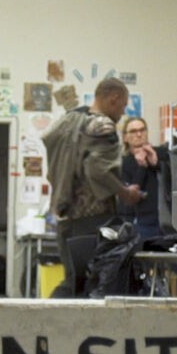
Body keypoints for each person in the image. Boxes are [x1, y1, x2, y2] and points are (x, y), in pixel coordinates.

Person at [43, 77, 142, 297]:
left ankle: (52, 324)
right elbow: (97, 170)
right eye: (124, 105)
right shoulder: (103, 125)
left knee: (73, 280)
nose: (123, 112)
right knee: (89, 285)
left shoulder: (68, 121)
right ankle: (45, 318)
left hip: (65, 214)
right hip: (92, 218)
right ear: (114, 99)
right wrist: (126, 193)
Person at [118, 116, 170, 241]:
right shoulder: (123, 163)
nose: (139, 134)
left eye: (142, 130)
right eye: (134, 131)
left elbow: (174, 180)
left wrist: (156, 164)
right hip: (140, 222)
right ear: (125, 137)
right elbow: (130, 194)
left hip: (166, 220)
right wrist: (142, 167)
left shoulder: (162, 153)